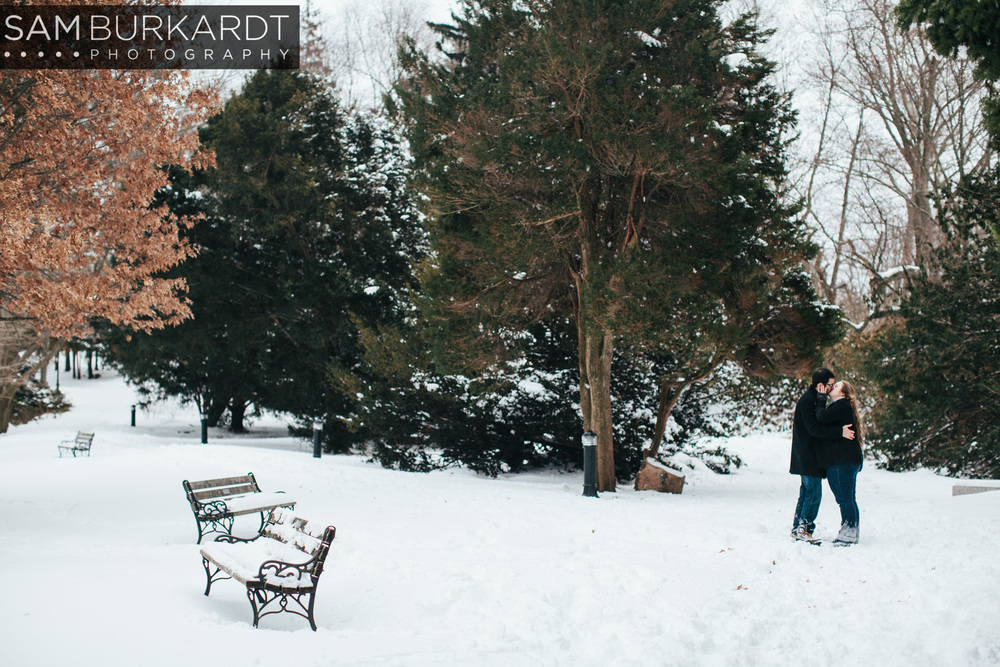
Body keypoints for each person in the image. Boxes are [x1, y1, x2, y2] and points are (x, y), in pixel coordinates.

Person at [789, 368, 855, 542]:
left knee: (806, 492)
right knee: (813, 493)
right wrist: (839, 432)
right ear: (820, 385)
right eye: (830, 385)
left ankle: (798, 528)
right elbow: (815, 428)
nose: (831, 388)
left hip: (808, 454)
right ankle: (804, 528)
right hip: (807, 454)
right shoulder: (809, 400)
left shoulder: (816, 399)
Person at [815, 379, 865, 546]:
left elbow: (821, 417)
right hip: (845, 459)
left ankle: (849, 531)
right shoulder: (841, 408)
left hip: (842, 460)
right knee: (847, 497)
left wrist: (820, 398)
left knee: (845, 498)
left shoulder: (842, 405)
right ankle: (850, 530)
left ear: (843, 393)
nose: (832, 387)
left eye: (836, 386)